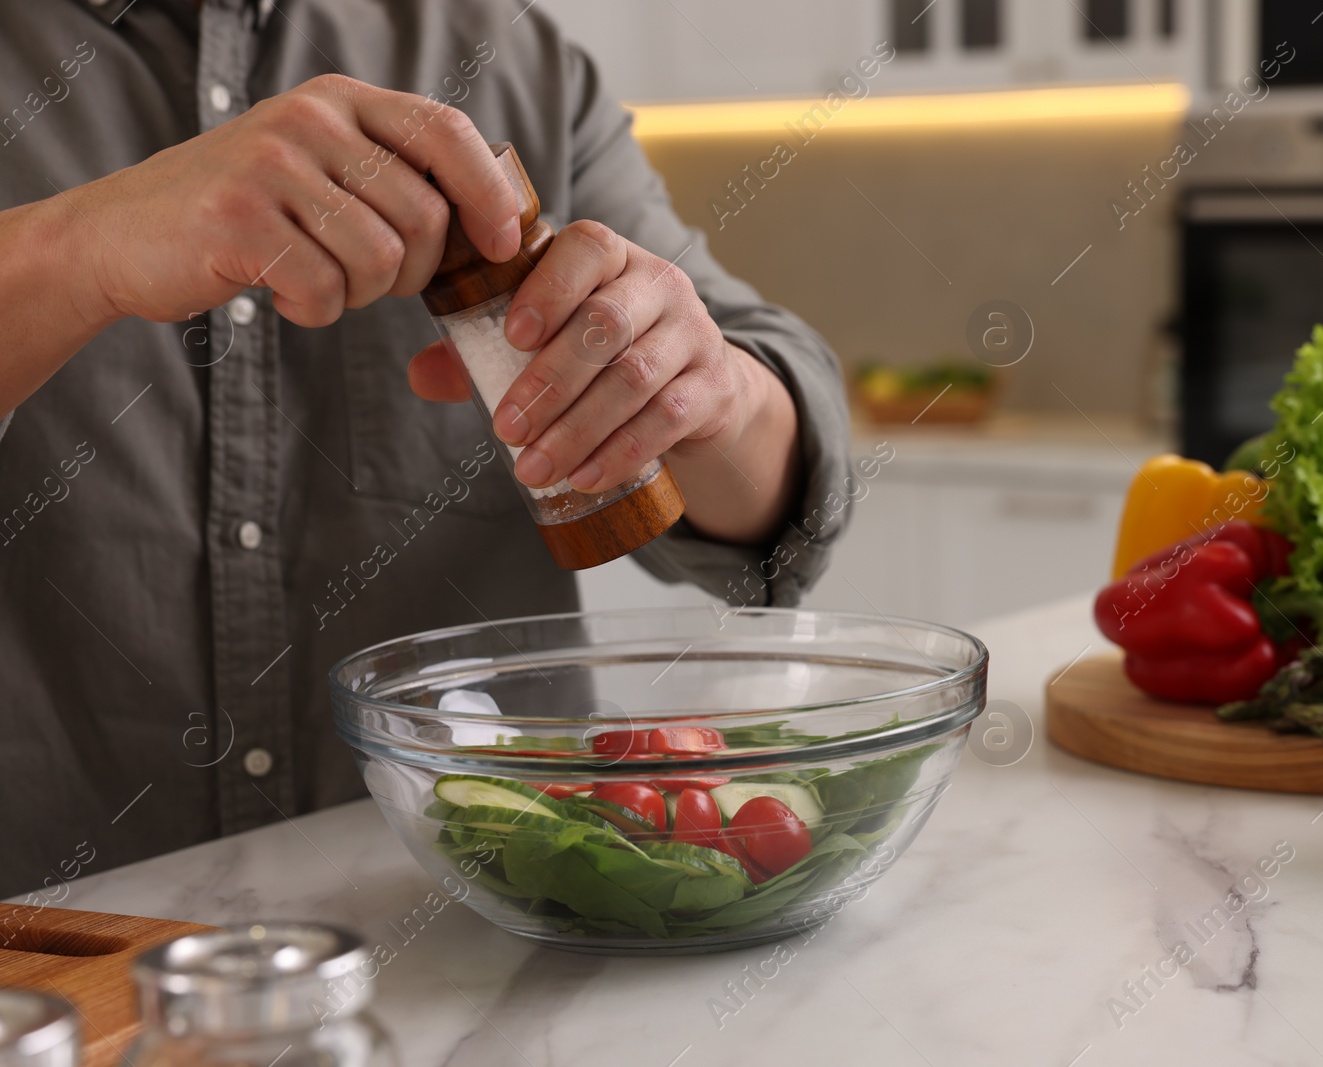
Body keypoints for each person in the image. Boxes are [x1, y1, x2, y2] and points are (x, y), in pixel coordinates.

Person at [0, 0, 850, 898]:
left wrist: (712, 391)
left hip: (501, 932)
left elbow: (774, 494)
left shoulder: (509, 51)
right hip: (46, 962)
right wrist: (76, 250)